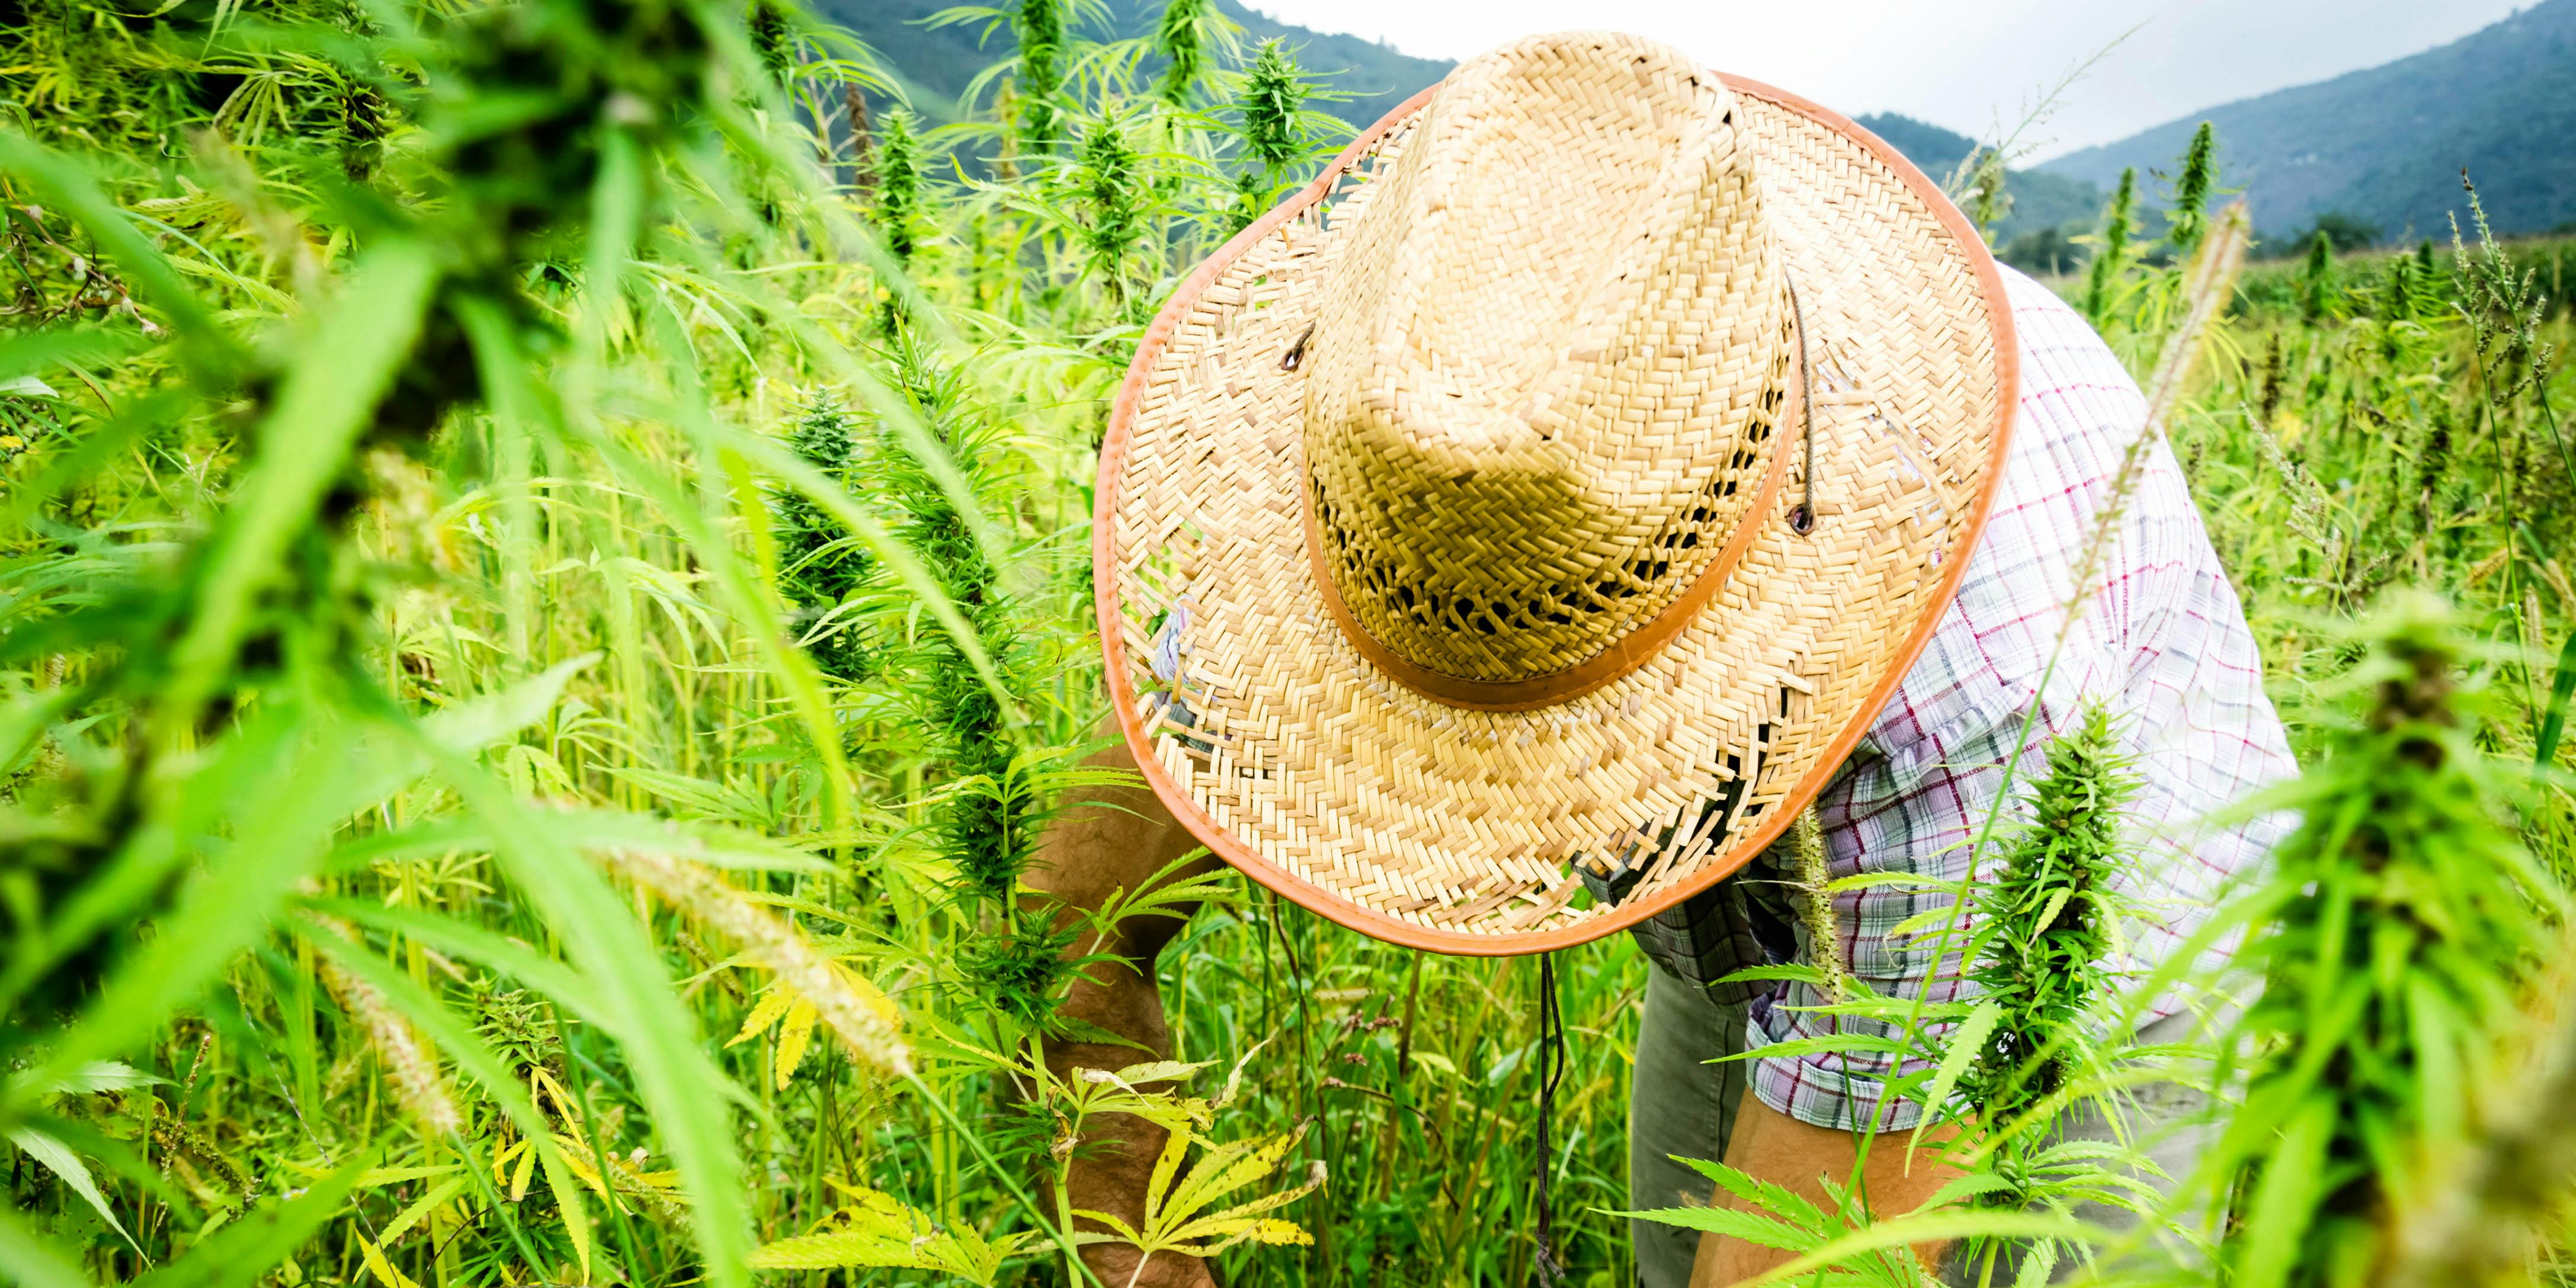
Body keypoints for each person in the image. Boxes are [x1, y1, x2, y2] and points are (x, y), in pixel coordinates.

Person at [1034, 31, 2294, 1288]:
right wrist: (1127, 1221)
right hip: (1755, 903)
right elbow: (1065, 926)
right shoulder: (1383, 452)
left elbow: (1800, 1258)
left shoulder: (1957, 700)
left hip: (2090, 968)